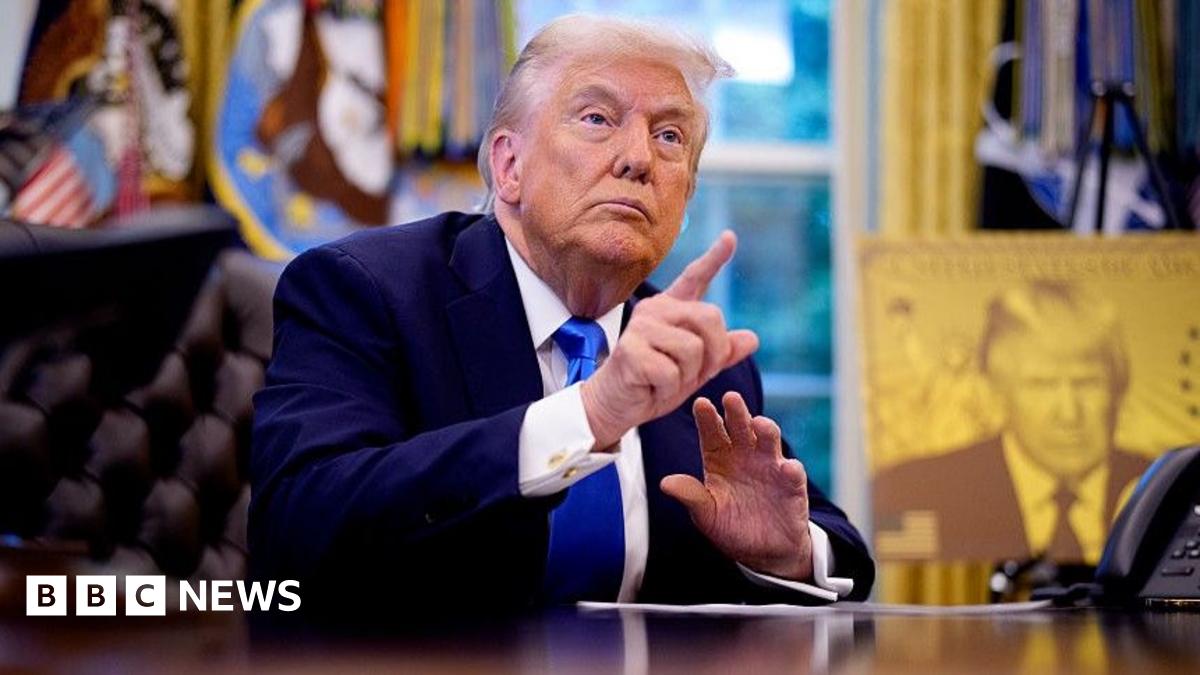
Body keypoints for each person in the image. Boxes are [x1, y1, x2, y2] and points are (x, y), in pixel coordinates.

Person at [249, 15, 874, 616]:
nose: (639, 159)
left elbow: (837, 545)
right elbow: (295, 530)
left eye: (670, 136)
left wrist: (786, 552)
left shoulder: (692, 352)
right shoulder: (365, 291)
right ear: (509, 165)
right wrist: (589, 415)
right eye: (598, 118)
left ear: (685, 198)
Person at [873, 281, 1149, 564]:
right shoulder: (916, 489)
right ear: (999, 391)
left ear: (1119, 389)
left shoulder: (1170, 493)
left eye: (1087, 383)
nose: (1068, 413)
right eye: (1042, 384)